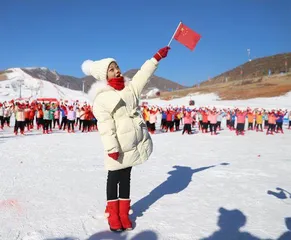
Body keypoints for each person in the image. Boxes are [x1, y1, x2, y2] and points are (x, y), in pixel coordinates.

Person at [81, 46, 170, 232]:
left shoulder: (130, 89)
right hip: (116, 147)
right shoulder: (101, 98)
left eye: (117, 67)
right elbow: (105, 126)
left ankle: (123, 213)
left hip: (132, 143)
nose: (117, 70)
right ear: (104, 75)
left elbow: (142, 75)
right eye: (111, 69)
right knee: (114, 177)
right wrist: (112, 148)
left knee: (127, 177)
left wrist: (155, 58)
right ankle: (113, 214)